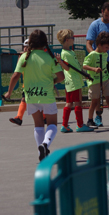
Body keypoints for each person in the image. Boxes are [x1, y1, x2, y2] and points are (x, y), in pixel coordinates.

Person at [4, 30, 65, 161]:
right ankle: (45, 144)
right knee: (52, 123)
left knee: (38, 124)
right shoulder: (50, 57)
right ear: (45, 43)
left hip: (31, 96)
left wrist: (9, 92)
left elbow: (15, 76)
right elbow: (61, 77)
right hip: (47, 95)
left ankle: (40, 152)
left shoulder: (24, 57)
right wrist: (52, 81)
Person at [57, 29, 94, 133]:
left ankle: (65, 125)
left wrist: (84, 74)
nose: (74, 39)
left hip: (71, 80)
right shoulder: (67, 53)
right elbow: (68, 68)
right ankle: (80, 125)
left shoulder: (68, 52)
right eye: (73, 38)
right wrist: (60, 62)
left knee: (69, 102)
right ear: (67, 40)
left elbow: (74, 67)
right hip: (74, 81)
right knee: (77, 102)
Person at [9, 38, 29, 126]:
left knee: (35, 102)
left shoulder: (31, 57)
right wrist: (20, 57)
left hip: (33, 83)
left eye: (27, 47)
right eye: (24, 47)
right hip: (27, 83)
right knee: (25, 100)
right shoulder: (23, 57)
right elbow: (18, 68)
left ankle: (19, 117)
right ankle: (19, 118)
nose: (25, 49)